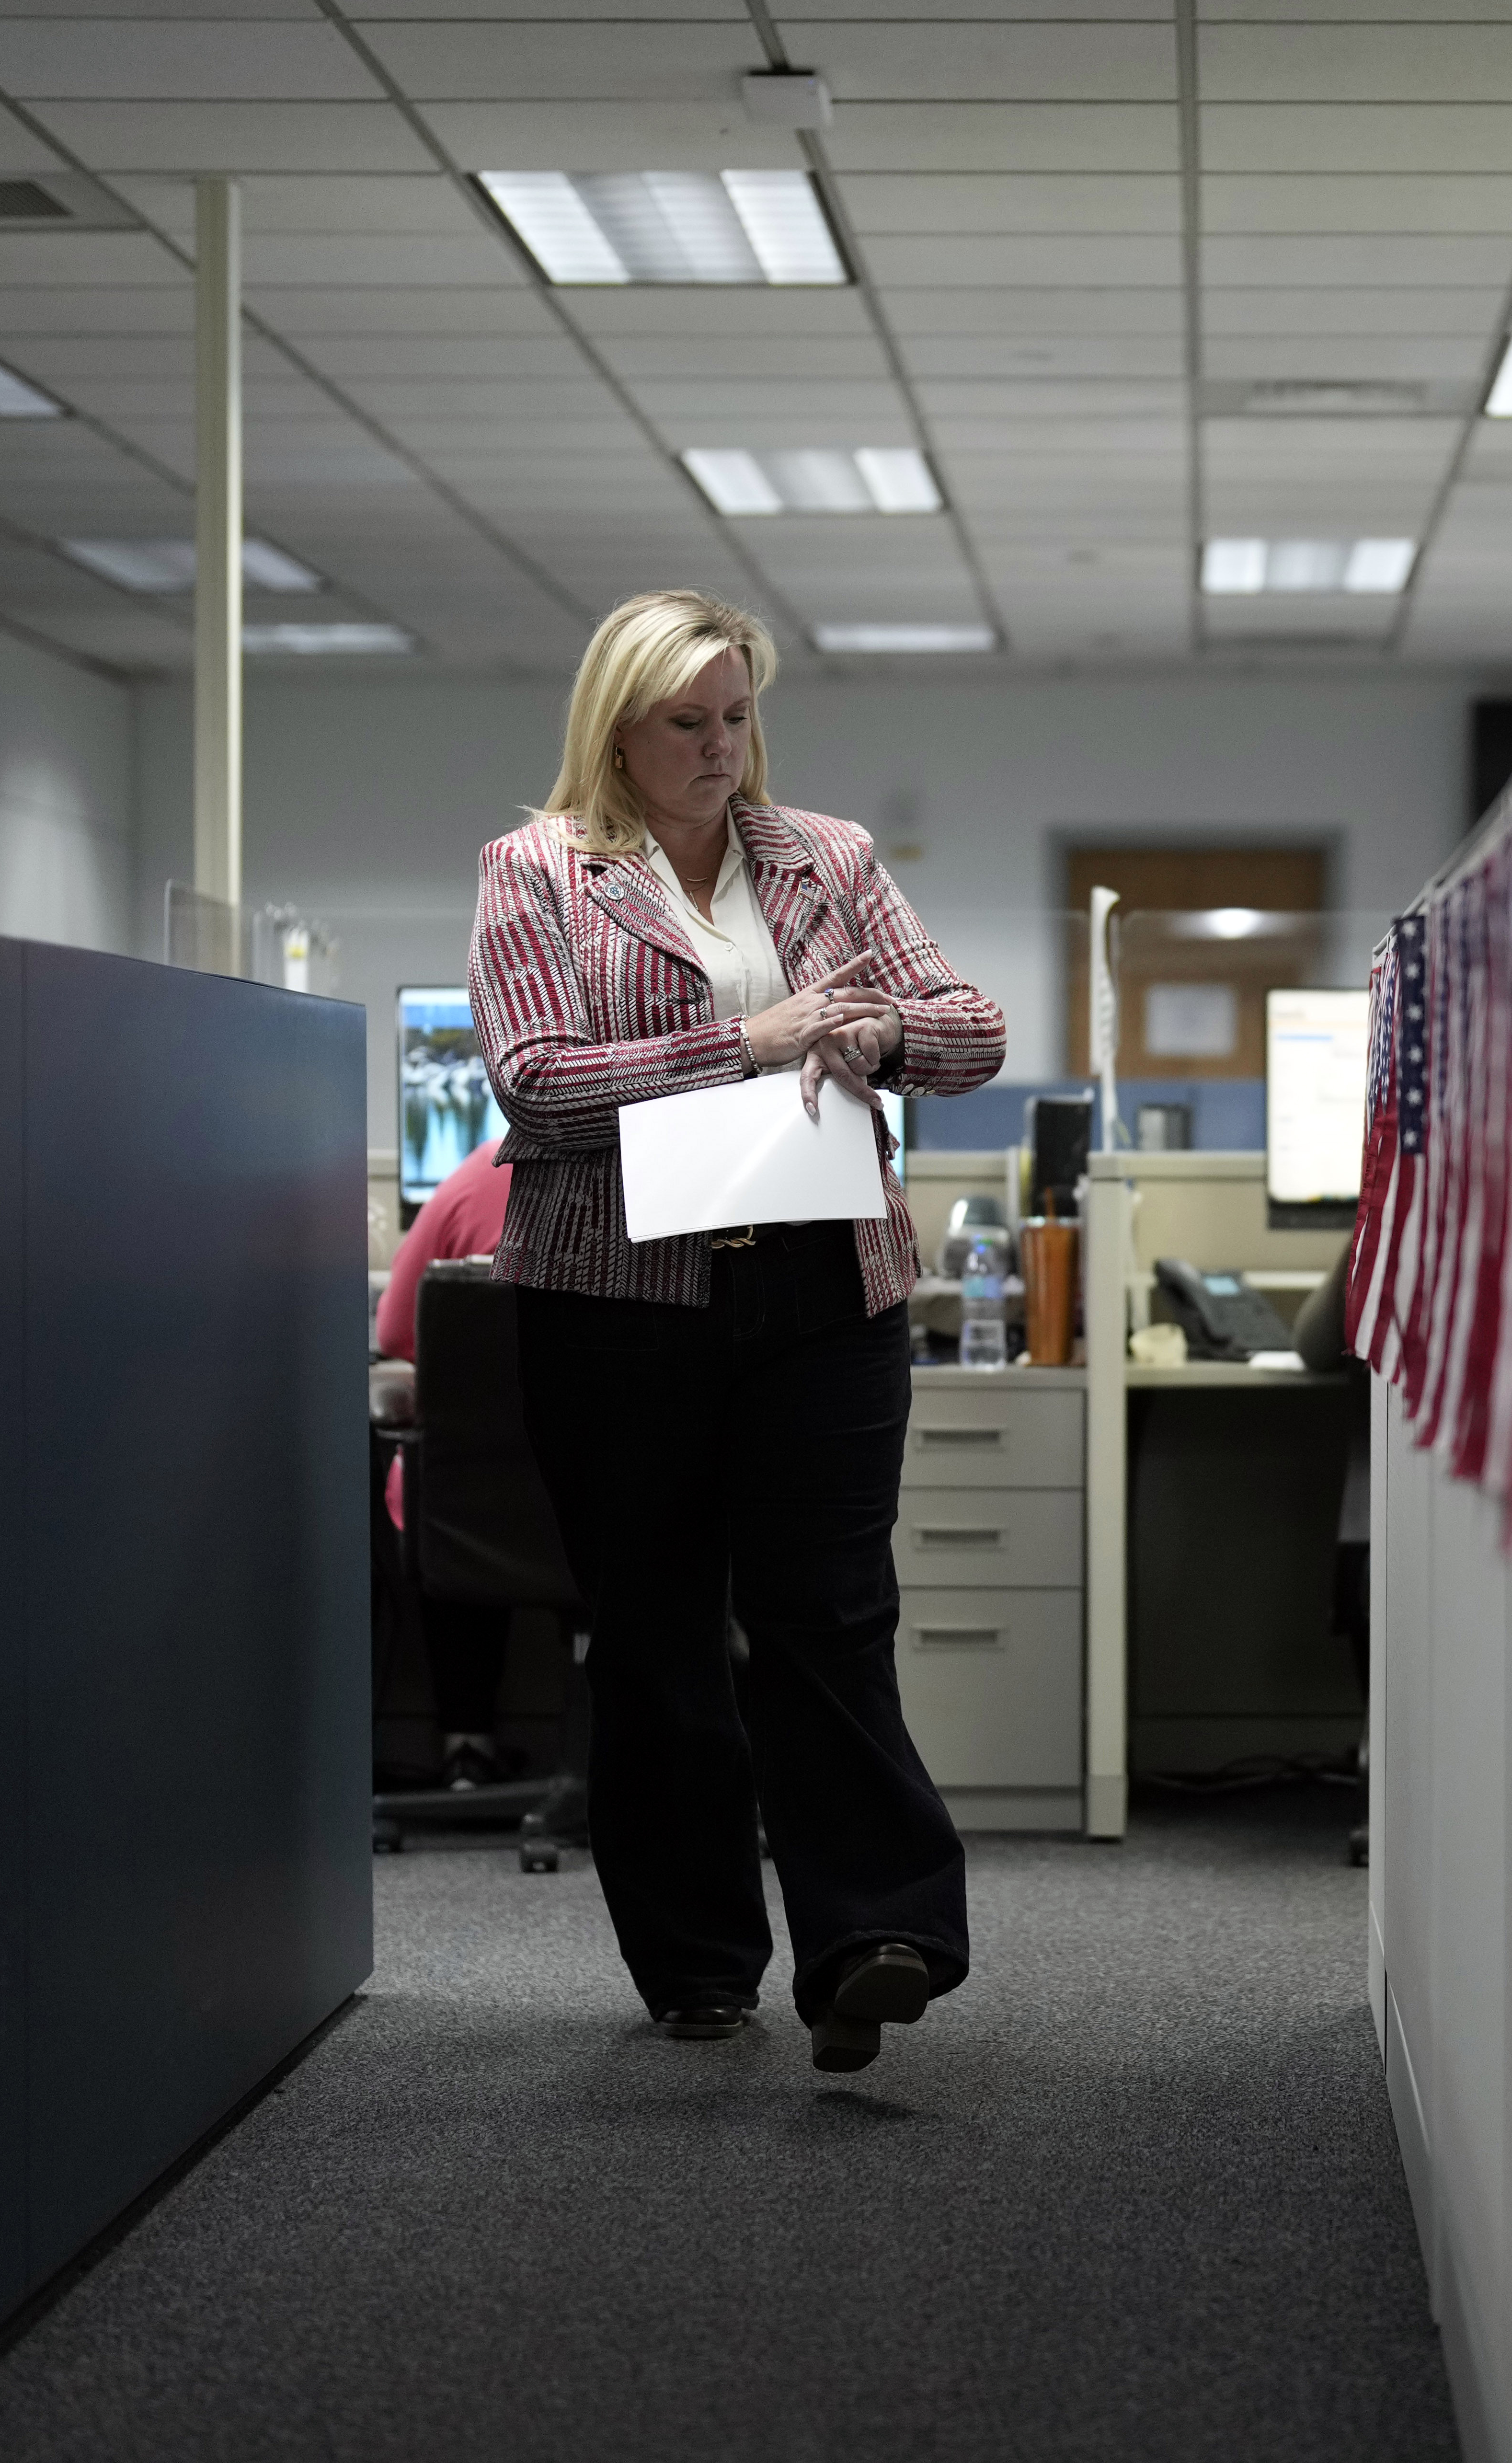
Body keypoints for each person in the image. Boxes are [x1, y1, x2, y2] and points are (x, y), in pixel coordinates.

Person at [468, 590, 1005, 2074]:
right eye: (687, 724)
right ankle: (701, 1963)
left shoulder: (827, 860)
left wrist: (888, 1033)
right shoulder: (542, 875)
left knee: (829, 1614)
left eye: (738, 716)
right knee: (656, 1637)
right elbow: (536, 1084)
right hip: (617, 1304)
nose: (722, 749)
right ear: (618, 731)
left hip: (825, 1291)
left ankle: (871, 1940)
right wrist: (746, 1044)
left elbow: (976, 1027)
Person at [373, 1135, 515, 1788]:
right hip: (614, 1496)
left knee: (459, 1495)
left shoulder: (469, 1178)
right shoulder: (654, 1174)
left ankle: (468, 1744)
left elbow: (396, 1335)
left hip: (471, 1512)